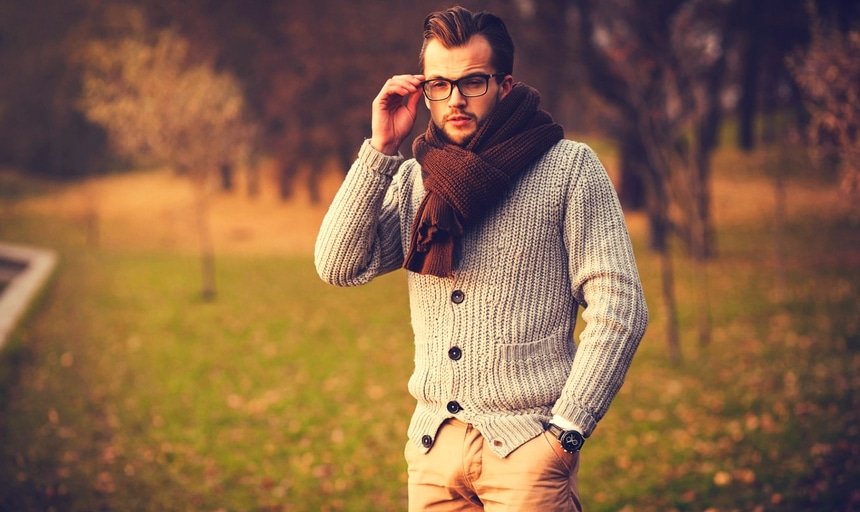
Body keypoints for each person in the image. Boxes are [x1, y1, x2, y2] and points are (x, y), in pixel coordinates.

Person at [315, 6, 648, 511]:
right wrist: (381, 149)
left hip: (528, 451)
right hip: (433, 450)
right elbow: (339, 264)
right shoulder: (414, 182)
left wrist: (567, 433)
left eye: (472, 82)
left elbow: (619, 308)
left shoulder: (568, 170)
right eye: (439, 85)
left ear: (505, 84)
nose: (455, 100)